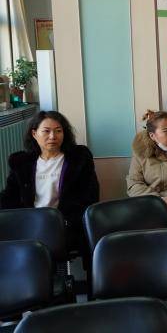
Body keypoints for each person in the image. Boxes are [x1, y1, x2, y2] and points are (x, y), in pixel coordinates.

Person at [1, 110, 99, 258]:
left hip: (65, 224)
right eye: (46, 131)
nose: (53, 136)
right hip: (29, 224)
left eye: (58, 131)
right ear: (34, 134)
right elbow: (9, 198)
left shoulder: (79, 159)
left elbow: (89, 196)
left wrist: (65, 221)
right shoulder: (21, 163)